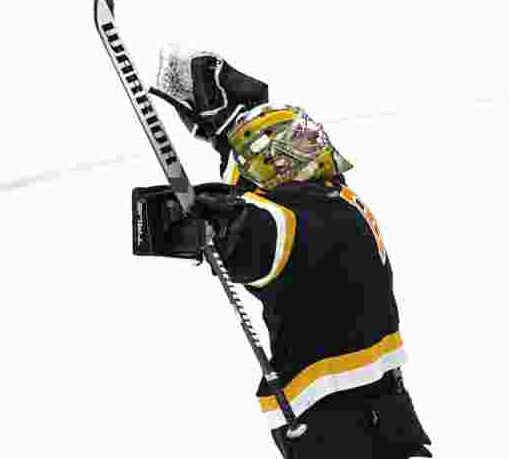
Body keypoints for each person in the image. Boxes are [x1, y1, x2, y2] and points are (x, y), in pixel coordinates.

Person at [138, 46, 432, 459]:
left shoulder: (309, 221)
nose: (308, 145)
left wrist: (226, 225)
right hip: (381, 417)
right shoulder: (343, 203)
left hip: (341, 428)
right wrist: (229, 126)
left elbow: (268, 237)